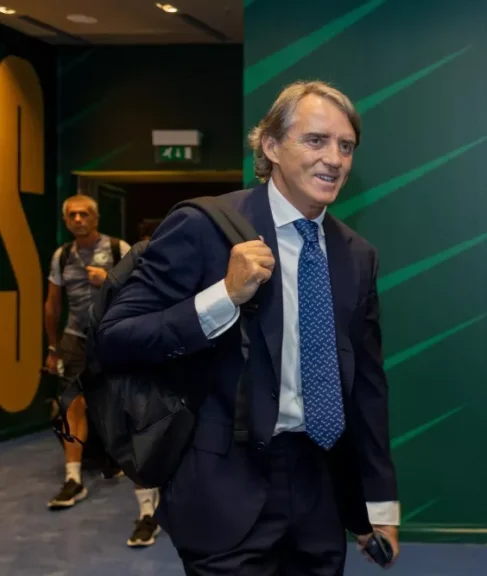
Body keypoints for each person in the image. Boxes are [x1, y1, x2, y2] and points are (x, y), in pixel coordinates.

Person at [94, 80, 400, 575]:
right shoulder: (204, 226)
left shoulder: (357, 256)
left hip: (318, 490)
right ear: (272, 146)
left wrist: (378, 505)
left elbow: (367, 386)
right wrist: (224, 296)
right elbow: (116, 338)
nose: (334, 159)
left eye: (346, 146)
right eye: (316, 140)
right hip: (223, 491)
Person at [44, 194, 162, 548]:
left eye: (84, 214)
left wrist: (110, 279)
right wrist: (52, 348)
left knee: (129, 417)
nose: (78, 219)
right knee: (71, 406)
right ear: (66, 221)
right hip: (75, 339)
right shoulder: (61, 256)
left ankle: (148, 510)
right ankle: (73, 479)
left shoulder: (117, 248)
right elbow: (52, 303)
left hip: (114, 338)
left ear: (95, 218)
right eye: (72, 215)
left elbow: (145, 289)